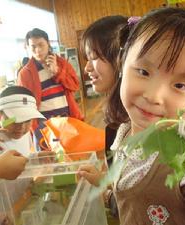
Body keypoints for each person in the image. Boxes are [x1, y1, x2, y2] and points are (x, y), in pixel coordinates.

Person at [78, 8, 185, 225]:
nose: (154, 96)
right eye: (143, 72)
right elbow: (132, 197)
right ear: (122, 63)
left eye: (180, 85)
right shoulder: (123, 133)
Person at [80, 15, 128, 218]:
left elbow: (146, 200)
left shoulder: (135, 120)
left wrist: (108, 197)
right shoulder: (121, 116)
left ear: (121, 59)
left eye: (94, 57)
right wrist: (105, 178)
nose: (87, 68)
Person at [18, 28, 83, 131]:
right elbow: (25, 104)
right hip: (44, 124)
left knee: (74, 146)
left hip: (68, 117)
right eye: (33, 47)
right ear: (28, 47)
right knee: (49, 147)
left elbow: (75, 86)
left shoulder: (62, 63)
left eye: (41, 45)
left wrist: (57, 71)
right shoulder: (25, 74)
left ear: (48, 44)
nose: (37, 50)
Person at [0, 85, 46, 157]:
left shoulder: (25, 134)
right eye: (15, 119)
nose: (21, 127)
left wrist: (37, 157)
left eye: (28, 120)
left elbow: (24, 156)